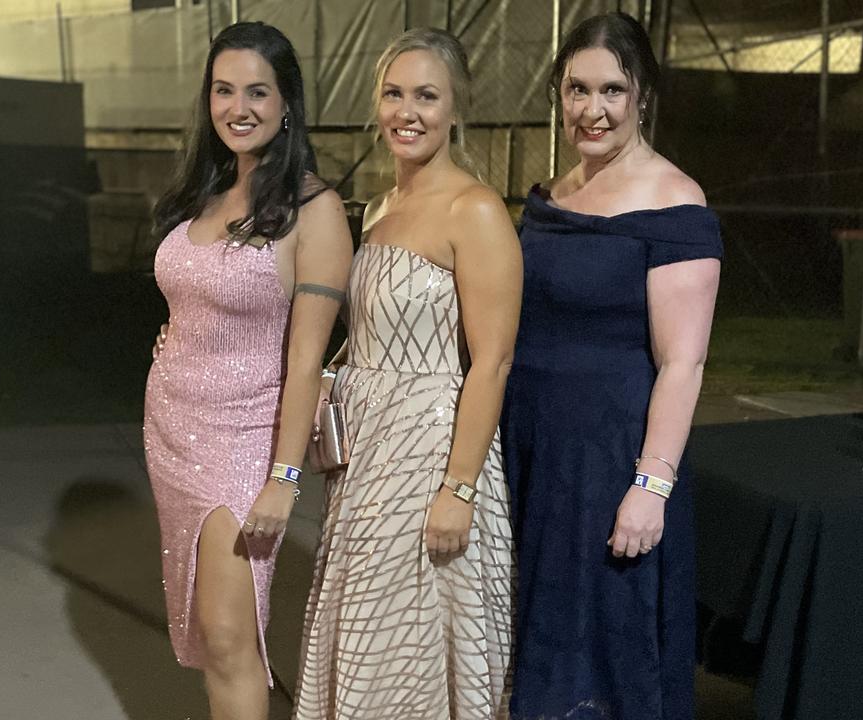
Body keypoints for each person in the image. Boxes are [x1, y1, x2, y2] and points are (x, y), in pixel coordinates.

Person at [294, 27, 521, 720]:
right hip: (365, 465)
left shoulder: (475, 210)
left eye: (427, 95)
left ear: (456, 109)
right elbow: (375, 330)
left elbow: (492, 361)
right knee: (368, 639)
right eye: (394, 94)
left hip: (431, 459)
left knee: (416, 646)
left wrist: (457, 490)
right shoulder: (380, 207)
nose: (407, 111)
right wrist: (333, 377)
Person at [501, 13, 722, 720]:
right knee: (532, 642)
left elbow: (683, 361)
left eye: (612, 91)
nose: (591, 109)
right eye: (576, 89)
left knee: (602, 653)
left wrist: (650, 486)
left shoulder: (675, 201)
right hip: (531, 455)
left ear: (642, 96)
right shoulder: (553, 196)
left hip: (607, 463)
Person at [143, 21, 352, 720]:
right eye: (224, 90)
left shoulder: (314, 211)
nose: (239, 107)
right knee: (209, 634)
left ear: (287, 104)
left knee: (234, 636)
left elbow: (304, 361)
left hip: (243, 442)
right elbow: (197, 297)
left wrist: (285, 477)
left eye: (258, 92)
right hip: (172, 433)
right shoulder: (205, 194)